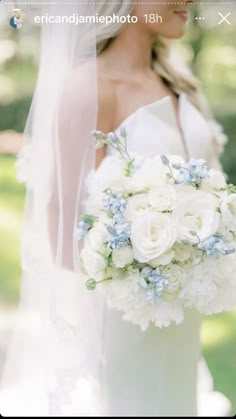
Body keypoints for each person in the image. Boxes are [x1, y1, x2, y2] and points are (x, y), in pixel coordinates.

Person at [0, 0, 231, 416]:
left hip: (181, 314)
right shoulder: (88, 90)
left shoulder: (178, 82)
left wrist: (199, 248)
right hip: (125, 323)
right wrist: (139, 263)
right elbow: (62, 235)